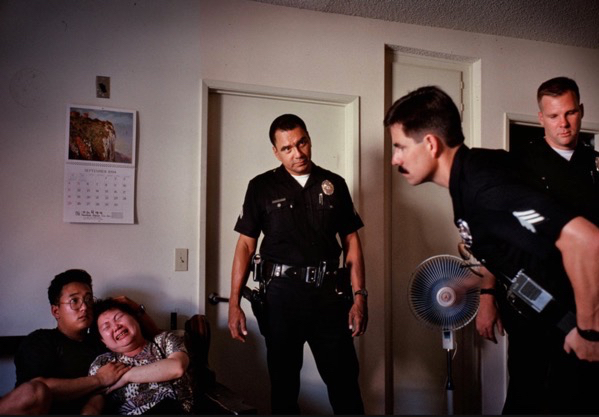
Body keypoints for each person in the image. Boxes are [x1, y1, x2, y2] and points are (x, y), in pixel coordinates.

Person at [384, 85, 599, 414]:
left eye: (399, 147)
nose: (394, 159)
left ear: (430, 143)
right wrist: (470, 285)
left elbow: (587, 241)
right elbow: (519, 253)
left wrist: (587, 331)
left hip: (568, 334)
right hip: (538, 328)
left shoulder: (484, 185)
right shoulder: (469, 177)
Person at [474, 77, 599, 413]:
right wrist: (487, 297)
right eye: (554, 115)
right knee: (528, 392)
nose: (564, 123)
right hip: (533, 300)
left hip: (584, 302)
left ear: (581, 111)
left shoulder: (595, 165)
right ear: (541, 117)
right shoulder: (519, 164)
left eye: (571, 113)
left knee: (580, 393)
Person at [228, 114, 367, 414]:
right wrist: (233, 303)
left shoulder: (335, 184)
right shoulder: (261, 187)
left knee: (344, 383)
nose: (298, 153)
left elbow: (352, 242)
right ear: (276, 152)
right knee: (284, 387)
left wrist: (360, 297)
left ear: (309, 139)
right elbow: (245, 246)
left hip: (329, 296)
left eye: (301, 142)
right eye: (288, 148)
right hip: (281, 298)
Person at [14, 269, 159, 414]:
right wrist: (99, 379)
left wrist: (136, 309)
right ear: (56, 311)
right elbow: (35, 392)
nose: (84, 307)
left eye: (89, 299)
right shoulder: (41, 340)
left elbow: (162, 343)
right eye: (74, 301)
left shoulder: (104, 341)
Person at [81, 298, 194, 415]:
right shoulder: (103, 363)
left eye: (119, 317)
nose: (116, 326)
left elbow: (177, 367)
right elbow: (94, 405)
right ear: (103, 341)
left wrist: (126, 376)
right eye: (106, 326)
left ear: (135, 319)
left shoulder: (164, 341)